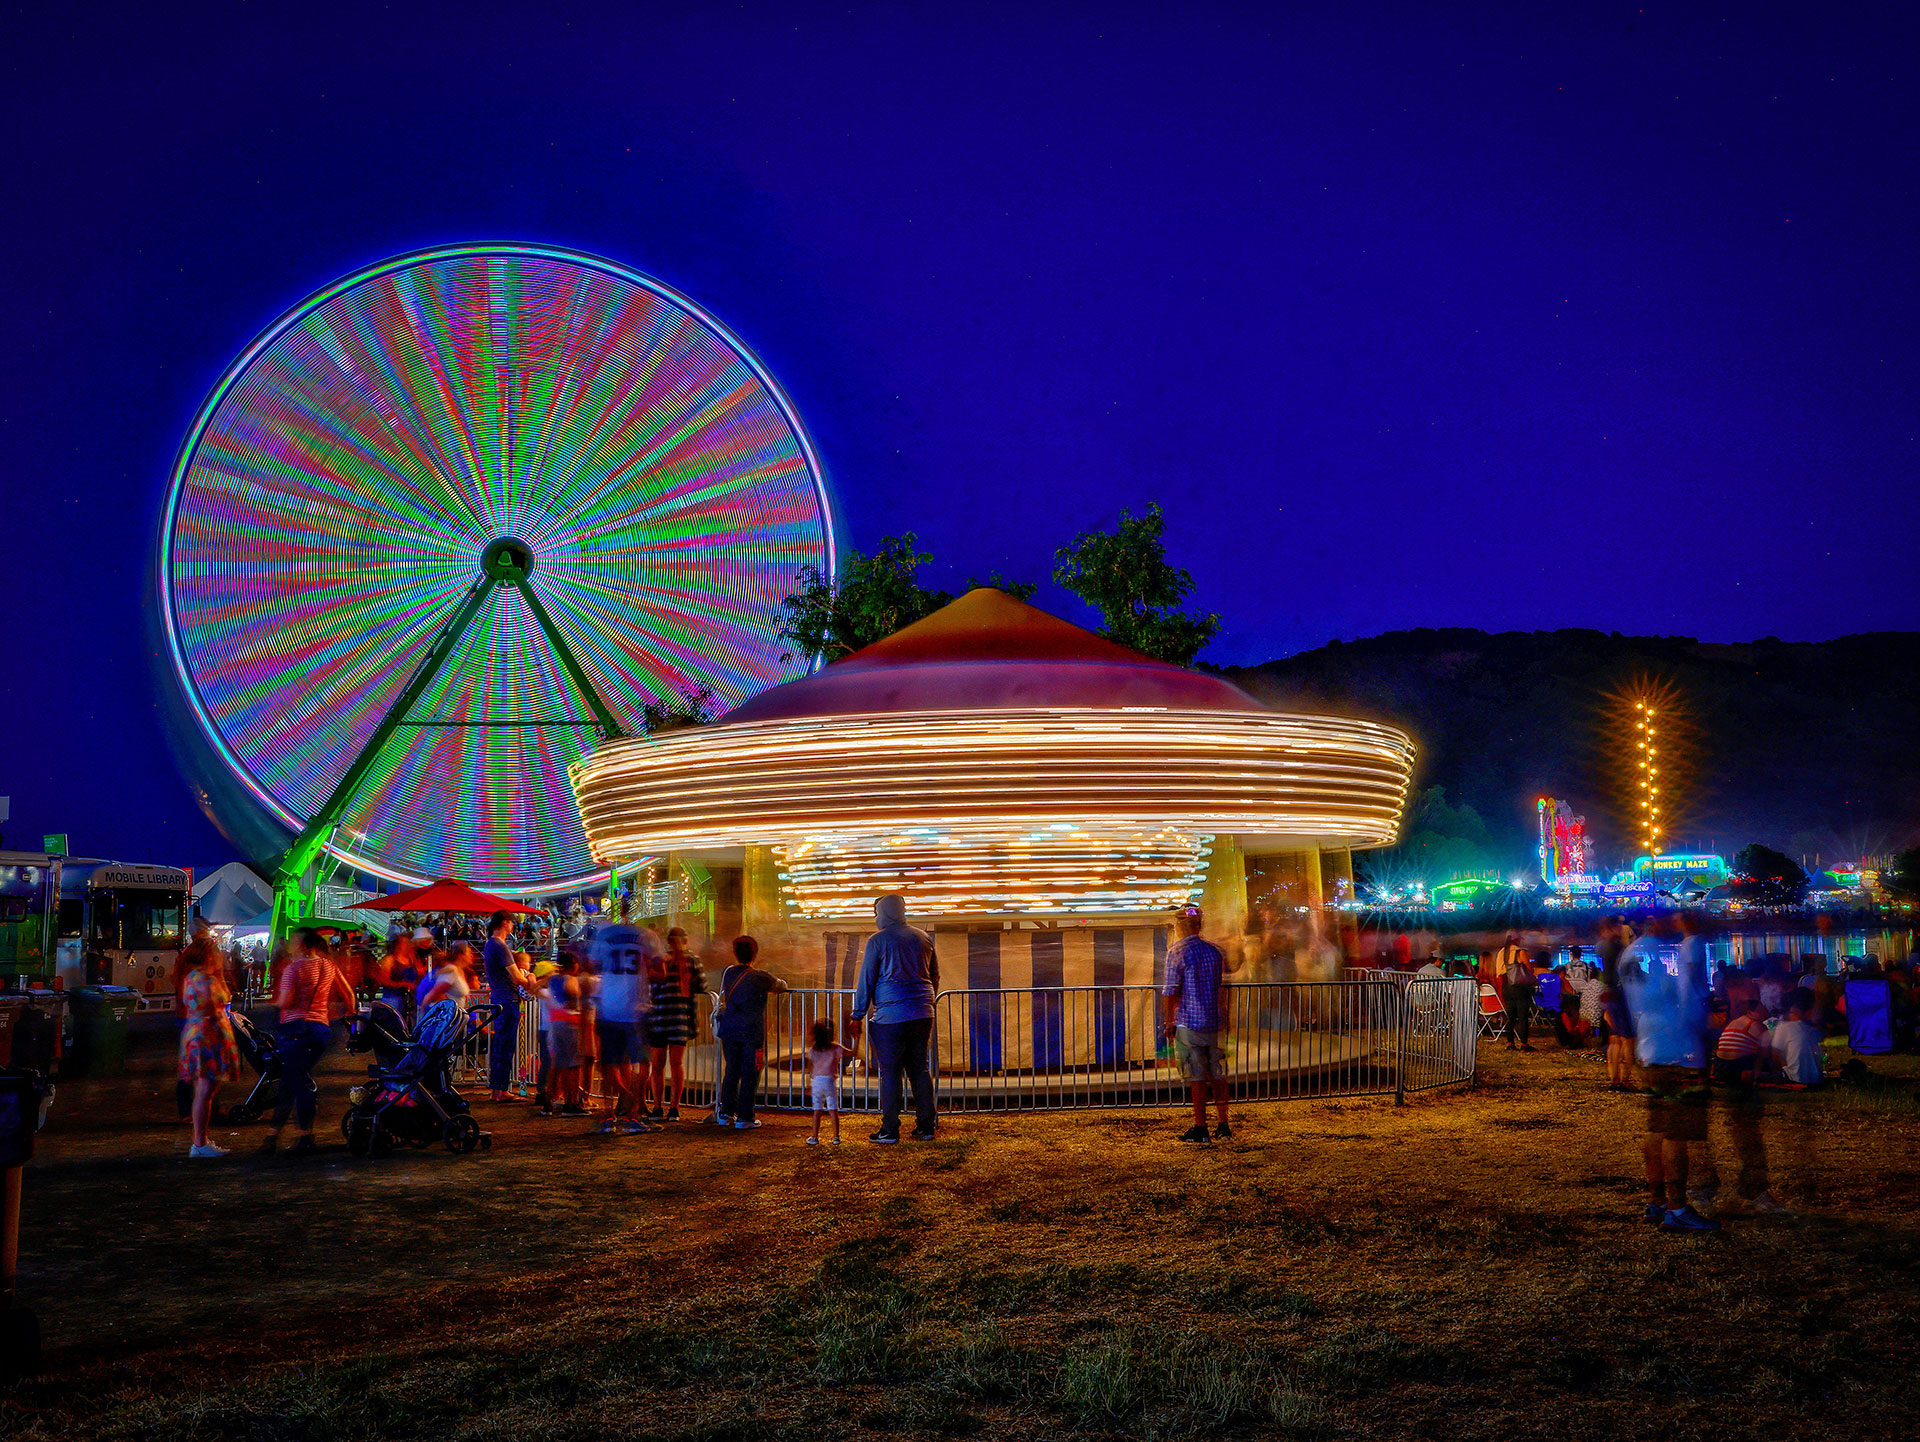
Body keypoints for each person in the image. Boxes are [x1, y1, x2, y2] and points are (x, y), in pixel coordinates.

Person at [1620, 913, 1718, 1231]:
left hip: (1649, 1047)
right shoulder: (1667, 954)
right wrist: (1704, 1033)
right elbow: (1688, 999)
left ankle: (1656, 1200)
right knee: (1677, 1133)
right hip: (1677, 1049)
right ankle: (1677, 1209)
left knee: (1656, 1128)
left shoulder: (1629, 955)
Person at [847, 894, 937, 1144]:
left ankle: (889, 1129)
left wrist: (858, 1015)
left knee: (890, 1073)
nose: (875, 918)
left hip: (890, 1017)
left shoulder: (877, 941)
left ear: (884, 913)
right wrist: (926, 1002)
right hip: (922, 1013)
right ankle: (926, 1126)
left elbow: (867, 979)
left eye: (876, 912)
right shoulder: (922, 938)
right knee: (920, 1069)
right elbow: (934, 975)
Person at [261, 927, 356, 1156]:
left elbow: (287, 1000)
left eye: (294, 941)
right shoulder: (328, 966)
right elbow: (348, 994)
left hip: (295, 1030)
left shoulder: (294, 968)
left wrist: (274, 1004)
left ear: (304, 945)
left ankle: (305, 1136)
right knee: (292, 1078)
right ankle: (273, 1136)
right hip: (320, 1029)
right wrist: (350, 1014)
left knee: (297, 1082)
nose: (291, 945)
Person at [1160, 904, 1232, 1143]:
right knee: (1217, 1075)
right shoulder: (1215, 951)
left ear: (1181, 926)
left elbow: (1170, 990)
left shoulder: (1177, 952)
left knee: (1197, 1076)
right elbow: (1223, 988)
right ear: (1200, 925)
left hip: (1189, 1023)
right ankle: (1223, 1123)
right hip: (1213, 1021)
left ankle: (1200, 1127)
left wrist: (1168, 1022)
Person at [589, 920, 660, 1134]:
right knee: (643, 1063)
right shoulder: (647, 936)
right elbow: (661, 970)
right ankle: (632, 1112)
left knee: (610, 1063)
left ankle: (609, 1114)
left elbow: (592, 965)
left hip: (609, 1006)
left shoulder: (604, 935)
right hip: (636, 1010)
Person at [713, 935, 790, 1131]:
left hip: (729, 1031)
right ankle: (745, 1116)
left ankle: (725, 1113)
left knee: (731, 1070)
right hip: (751, 1033)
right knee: (750, 1073)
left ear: (735, 953)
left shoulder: (728, 973)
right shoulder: (760, 977)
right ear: (755, 954)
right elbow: (781, 986)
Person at [178, 934, 239, 1157]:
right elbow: (215, 1008)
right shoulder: (206, 980)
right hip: (208, 1037)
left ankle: (201, 1141)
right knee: (205, 1091)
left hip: (197, 1035)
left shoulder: (192, 977)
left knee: (202, 1091)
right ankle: (200, 1144)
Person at [645, 926, 705, 1120]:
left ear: (668, 941)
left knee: (658, 1064)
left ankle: (657, 1106)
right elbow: (702, 985)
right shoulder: (693, 960)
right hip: (680, 1016)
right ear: (685, 940)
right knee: (677, 1063)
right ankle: (674, 1108)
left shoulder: (660, 960)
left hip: (659, 1016)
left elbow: (650, 985)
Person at [482, 910, 541, 1103]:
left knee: (500, 1044)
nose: (513, 926)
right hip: (507, 1000)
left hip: (499, 998)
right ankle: (501, 1090)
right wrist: (532, 982)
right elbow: (516, 977)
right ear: (505, 923)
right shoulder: (500, 946)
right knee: (505, 1045)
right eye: (512, 923)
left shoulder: (491, 945)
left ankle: (496, 1088)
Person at [173, 917, 223, 1121]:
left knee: (193, 1065)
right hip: (198, 1021)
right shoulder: (201, 963)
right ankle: (202, 1110)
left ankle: (192, 1109)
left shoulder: (188, 956)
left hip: (188, 1017)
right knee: (204, 1067)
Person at [541, 950, 590, 1116]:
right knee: (573, 1065)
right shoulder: (571, 980)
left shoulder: (552, 979)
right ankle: (571, 1102)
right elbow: (574, 996)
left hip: (555, 1024)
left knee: (558, 1064)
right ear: (573, 965)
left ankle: (549, 1100)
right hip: (570, 1024)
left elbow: (535, 986)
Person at [805, 1018, 857, 1146]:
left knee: (817, 1111)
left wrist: (808, 1085)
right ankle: (836, 1137)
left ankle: (814, 1137)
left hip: (816, 1082)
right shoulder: (835, 1048)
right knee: (833, 1110)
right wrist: (857, 1038)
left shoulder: (813, 1051)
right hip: (830, 1082)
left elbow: (809, 1069)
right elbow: (853, 1053)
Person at [1772, 988, 1825, 1085]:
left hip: (1794, 1079)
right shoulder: (1814, 1031)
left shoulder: (1784, 1027)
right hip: (1816, 1080)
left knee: (1750, 1074)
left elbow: (1775, 1056)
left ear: (1794, 1010)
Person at [1498, 936, 1536, 1051]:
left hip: (1506, 987)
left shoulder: (1501, 952)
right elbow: (1529, 969)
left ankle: (1510, 1043)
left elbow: (1498, 972)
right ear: (1517, 940)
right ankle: (1524, 1044)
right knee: (1522, 1016)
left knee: (1510, 1017)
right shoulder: (1520, 952)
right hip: (1519, 988)